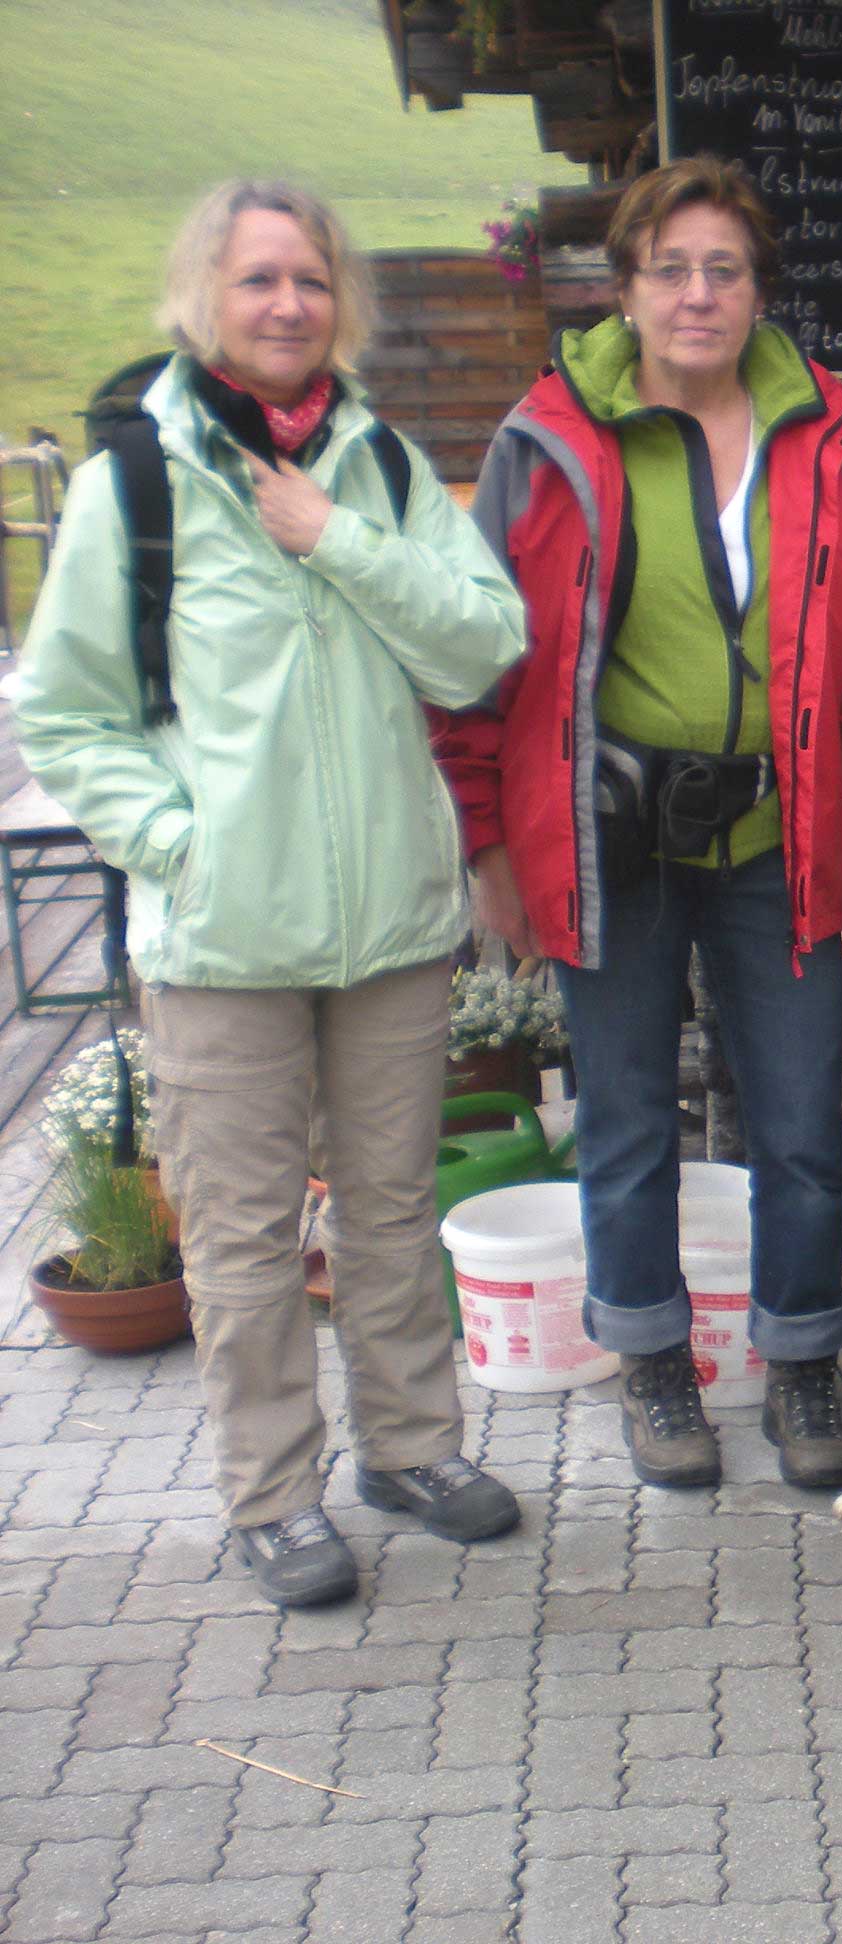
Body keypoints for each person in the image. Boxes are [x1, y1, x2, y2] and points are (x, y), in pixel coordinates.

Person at [15, 180, 530, 1607]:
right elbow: (65, 718)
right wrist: (180, 847)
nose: (288, 304)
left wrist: (334, 539)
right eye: (258, 281)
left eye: (309, 279)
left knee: (388, 1209)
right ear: (207, 298)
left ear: (338, 301)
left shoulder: (375, 469)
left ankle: (414, 1452)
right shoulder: (139, 478)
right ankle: (274, 1499)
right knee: (242, 1242)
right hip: (226, 942)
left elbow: (483, 644)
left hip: (389, 930)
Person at [433, 157, 842, 1493]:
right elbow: (482, 666)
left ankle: (805, 1354)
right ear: (627, 287)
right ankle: (650, 1358)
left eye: (726, 270)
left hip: (784, 834)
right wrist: (492, 852)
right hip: (611, 838)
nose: (699, 295)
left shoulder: (830, 438)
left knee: (802, 1120)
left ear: (760, 292)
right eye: (672, 269)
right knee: (630, 1119)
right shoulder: (546, 445)